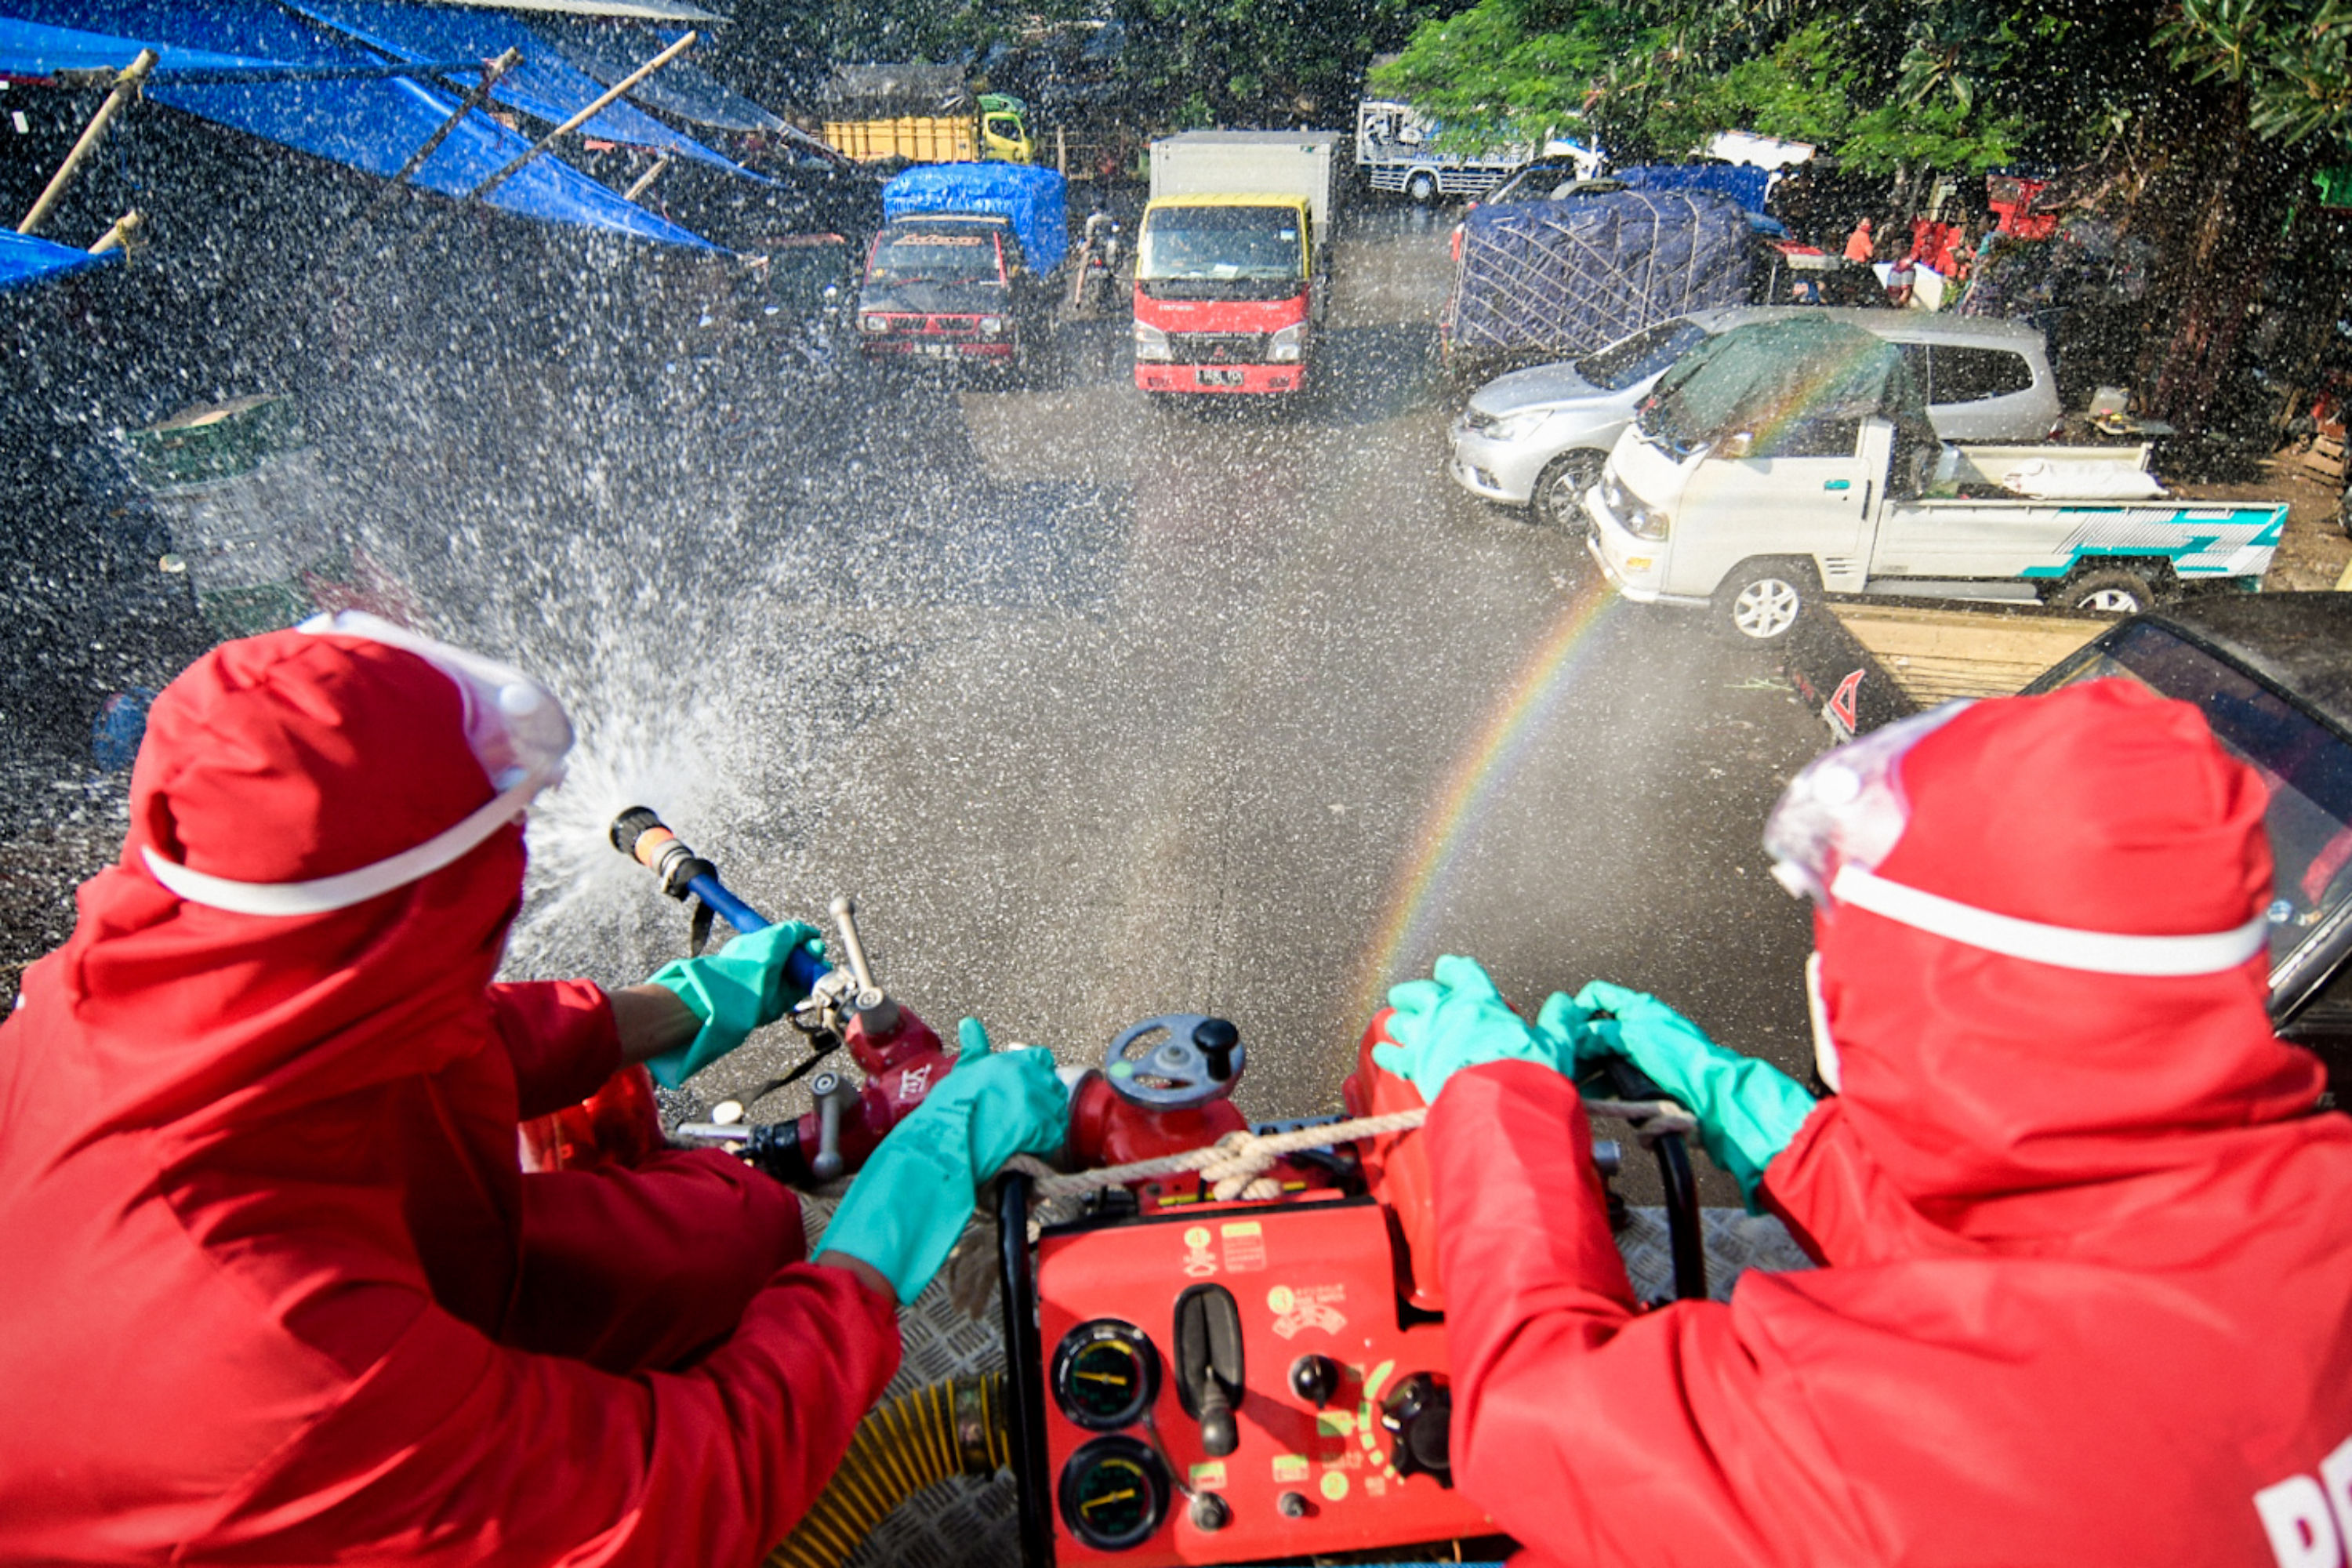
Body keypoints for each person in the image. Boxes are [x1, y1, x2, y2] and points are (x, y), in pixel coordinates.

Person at [0, 612, 1067, 1566]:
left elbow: (428, 1035)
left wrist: (686, 1005)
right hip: (303, 1477)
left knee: (735, 1224)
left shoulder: (141, 988)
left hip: (362, 1302)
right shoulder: (272, 1355)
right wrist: (884, 1238)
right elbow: (675, 1497)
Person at [1374, 681, 2352, 1565]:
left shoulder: (1882, 1441)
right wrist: (1775, 1131)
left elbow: (1540, 1424)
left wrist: (1497, 1101)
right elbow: (2073, 1277)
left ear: (1937, 1001)